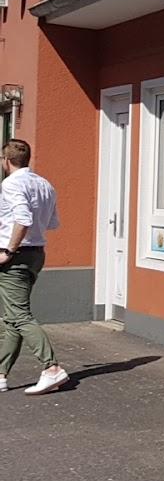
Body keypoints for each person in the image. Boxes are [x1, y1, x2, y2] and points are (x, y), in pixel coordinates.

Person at [0, 140, 68, 395]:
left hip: (15, 257)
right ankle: (2, 373)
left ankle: (52, 368)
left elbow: (23, 218)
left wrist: (8, 250)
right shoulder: (44, 184)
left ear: (6, 161)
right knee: (13, 317)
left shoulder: (11, 184)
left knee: (18, 316)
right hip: (36, 254)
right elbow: (52, 222)